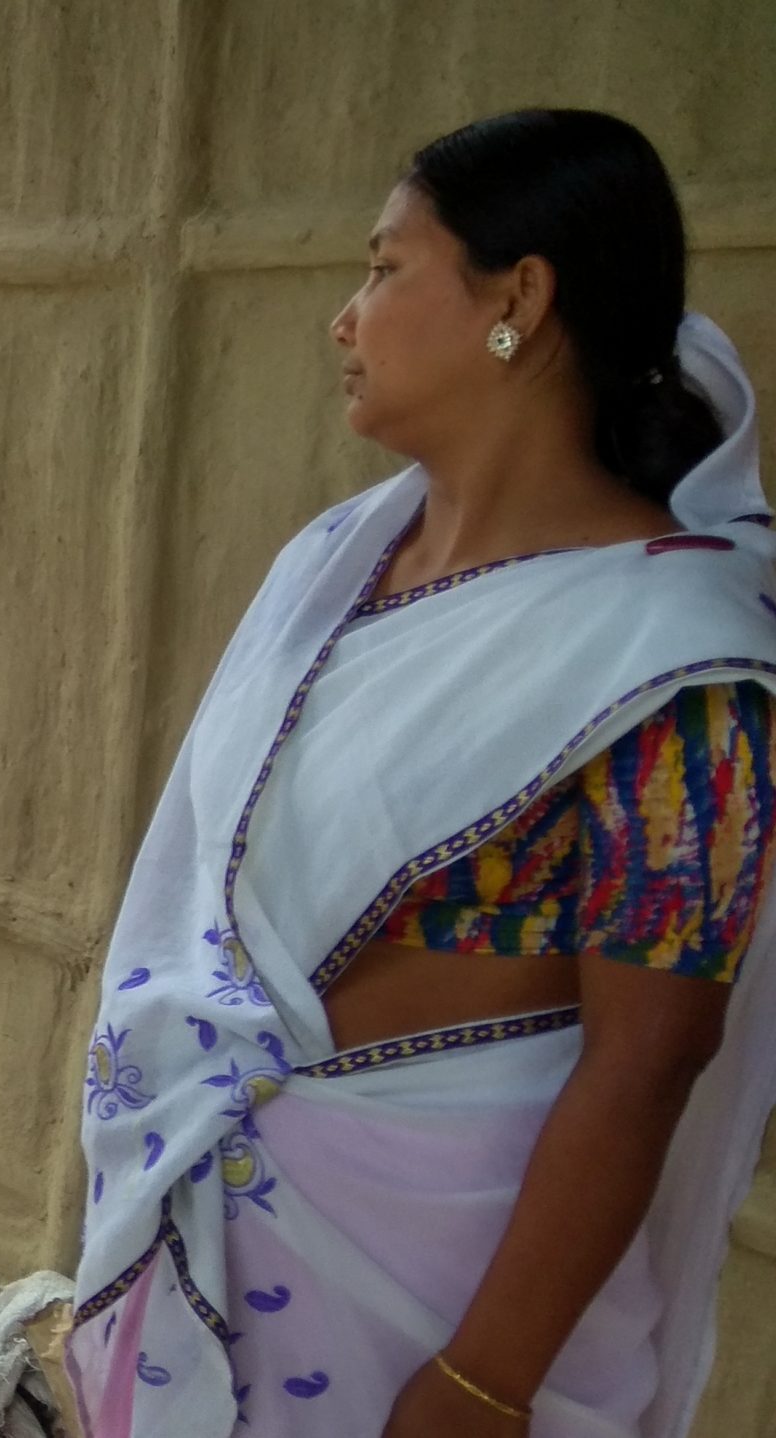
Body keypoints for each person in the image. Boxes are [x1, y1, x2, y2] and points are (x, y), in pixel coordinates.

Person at [67, 110, 776, 1438]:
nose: (347, 318)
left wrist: (479, 1385)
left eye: (387, 270)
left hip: (438, 1312)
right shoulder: (335, 572)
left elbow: (651, 1054)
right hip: (203, 1226)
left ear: (520, 296)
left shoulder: (682, 657)